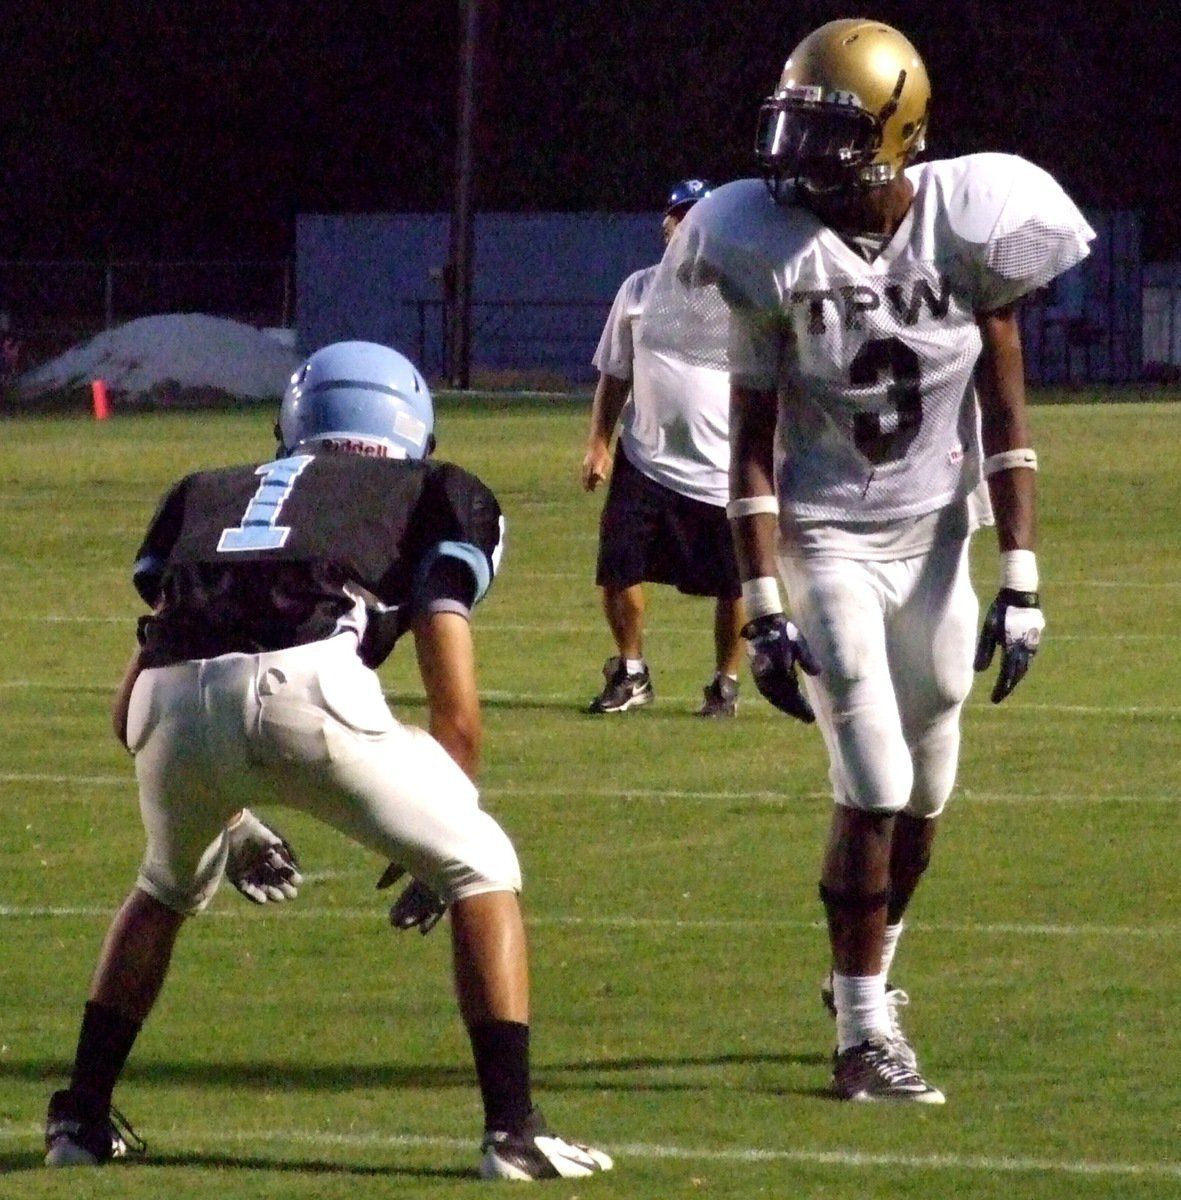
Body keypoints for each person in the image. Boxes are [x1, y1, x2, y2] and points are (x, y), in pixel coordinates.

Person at [640, 19, 1094, 1100]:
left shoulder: (969, 220)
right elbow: (748, 446)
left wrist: (1021, 576)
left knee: (930, 776)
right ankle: (859, 1038)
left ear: (897, 130)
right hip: (826, 532)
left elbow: (1006, 413)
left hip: (936, 530)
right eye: (792, 121)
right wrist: (758, 603)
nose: (795, 151)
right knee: (874, 775)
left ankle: (867, 981)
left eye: (827, 129)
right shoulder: (755, 239)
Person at [43, 340, 613, 1181]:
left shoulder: (206, 490)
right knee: (483, 862)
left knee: (165, 886)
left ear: (295, 424)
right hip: (308, 682)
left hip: (165, 702)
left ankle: (79, 1122)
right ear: (409, 420)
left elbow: (128, 708)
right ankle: (513, 1134)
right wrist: (439, 838)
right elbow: (449, 689)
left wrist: (228, 817)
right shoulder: (433, 489)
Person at [581, 178, 748, 716]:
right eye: (682, 215)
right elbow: (614, 374)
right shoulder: (637, 290)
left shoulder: (745, 294)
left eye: (701, 216)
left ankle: (725, 682)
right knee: (618, 565)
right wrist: (599, 444)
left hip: (722, 467)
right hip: (646, 458)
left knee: (736, 581)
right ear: (666, 227)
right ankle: (631, 671)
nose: (690, 225)